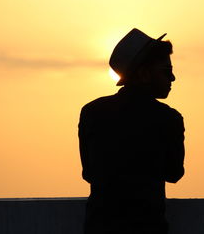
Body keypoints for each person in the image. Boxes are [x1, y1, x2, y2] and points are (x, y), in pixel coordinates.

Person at [78, 28, 185, 234]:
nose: (172, 78)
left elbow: (89, 173)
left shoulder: (91, 112)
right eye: (166, 70)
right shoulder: (169, 118)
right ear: (144, 74)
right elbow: (174, 173)